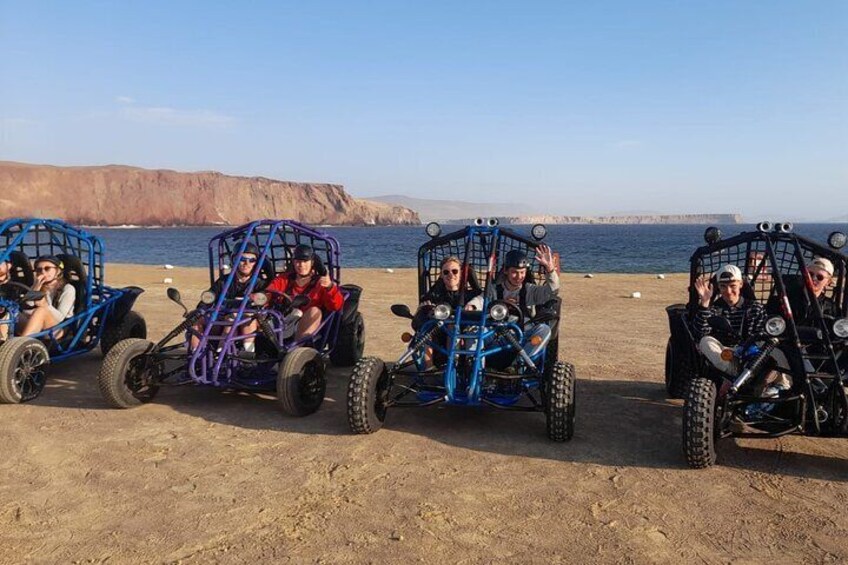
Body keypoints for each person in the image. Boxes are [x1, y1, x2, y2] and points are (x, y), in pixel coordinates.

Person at [192, 242, 268, 352]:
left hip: (247, 319)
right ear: (234, 260)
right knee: (196, 319)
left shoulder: (260, 283)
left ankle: (245, 353)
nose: (246, 263)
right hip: (222, 317)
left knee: (237, 318)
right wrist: (200, 309)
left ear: (256, 263)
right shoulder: (224, 281)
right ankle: (196, 354)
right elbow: (209, 298)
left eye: (252, 260)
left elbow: (264, 303)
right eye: (242, 258)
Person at [414, 256, 482, 369]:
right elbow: (418, 321)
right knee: (426, 330)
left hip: (464, 335)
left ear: (461, 274)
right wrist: (429, 312)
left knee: (453, 326)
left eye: (455, 271)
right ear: (441, 275)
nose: (451, 275)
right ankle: (428, 370)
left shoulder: (472, 296)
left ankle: (454, 366)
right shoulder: (434, 296)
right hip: (439, 335)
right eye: (446, 272)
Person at [265, 244, 343, 341]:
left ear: (312, 262)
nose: (301, 265)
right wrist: (262, 298)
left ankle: (297, 347)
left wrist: (330, 287)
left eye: (305, 261)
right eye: (298, 261)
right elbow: (268, 293)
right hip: (282, 320)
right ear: (293, 262)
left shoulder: (321, 283)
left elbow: (335, 306)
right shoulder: (283, 279)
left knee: (315, 311)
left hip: (305, 326)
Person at [467, 244, 560, 318]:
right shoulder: (494, 290)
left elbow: (552, 291)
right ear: (506, 271)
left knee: (543, 329)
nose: (519, 277)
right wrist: (472, 306)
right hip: (498, 330)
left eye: (522, 272)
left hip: (525, 331)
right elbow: (481, 300)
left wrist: (550, 269)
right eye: (514, 272)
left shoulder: (530, 290)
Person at [18, 256, 76, 337]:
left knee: (41, 310)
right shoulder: (37, 286)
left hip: (58, 329)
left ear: (58, 270)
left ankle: (22, 343)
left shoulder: (68, 289)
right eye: (39, 270)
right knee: (10, 312)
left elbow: (60, 318)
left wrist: (45, 306)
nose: (43, 272)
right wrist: (35, 288)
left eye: (47, 268)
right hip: (35, 324)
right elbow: (26, 310)